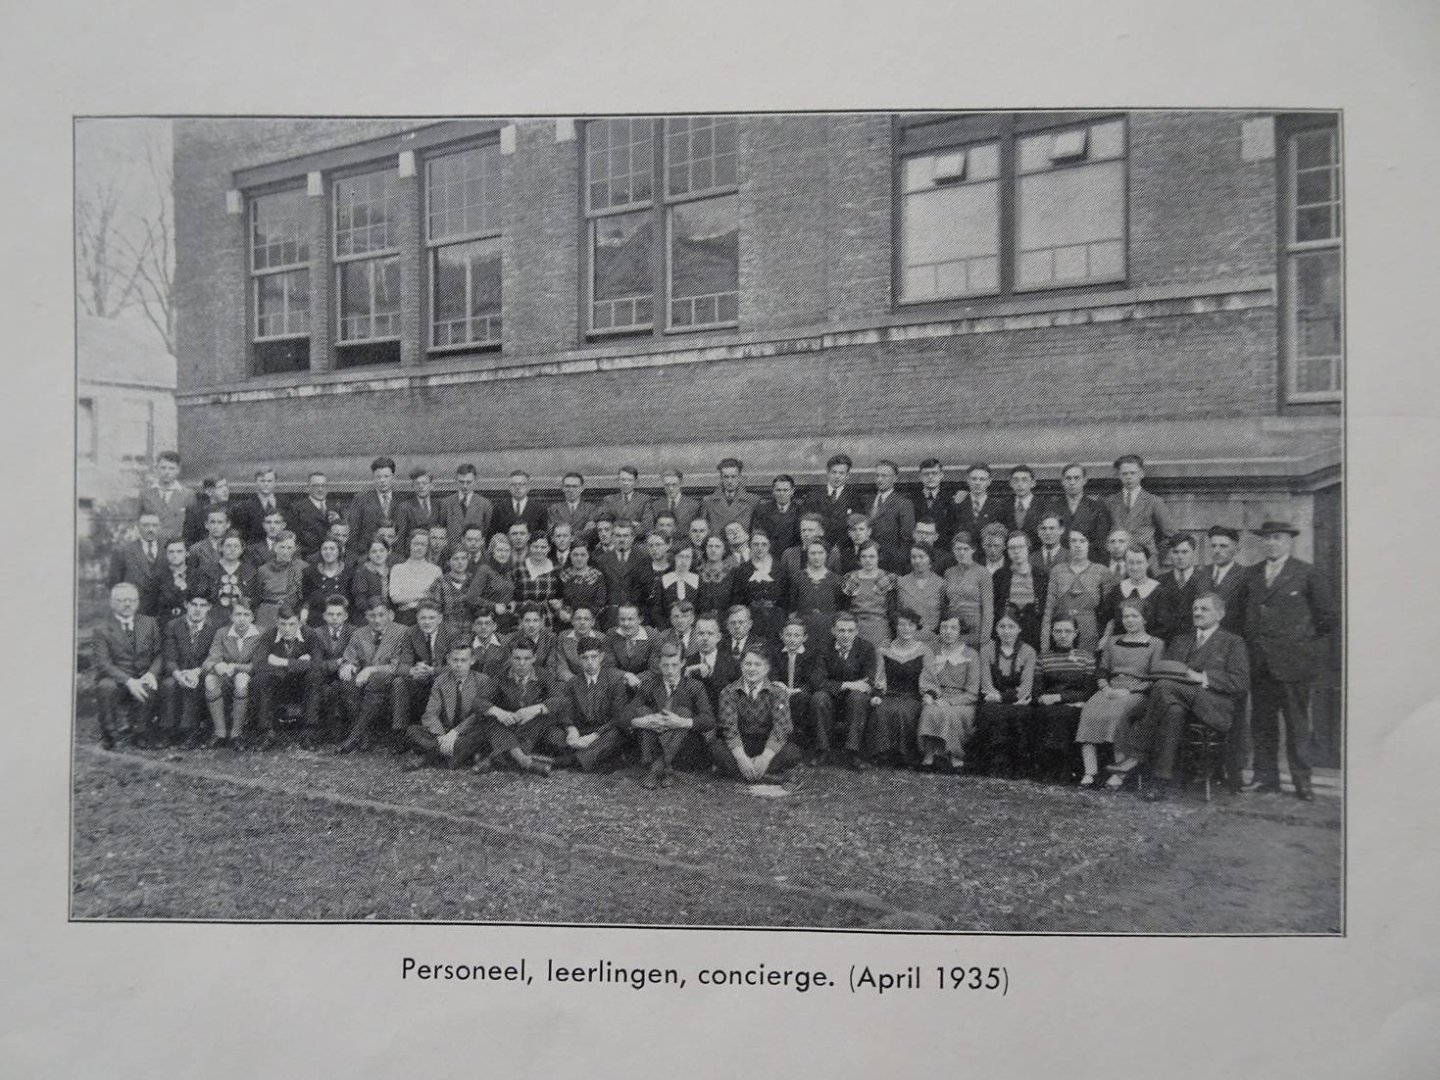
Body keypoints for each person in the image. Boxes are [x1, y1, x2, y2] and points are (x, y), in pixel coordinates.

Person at [1114, 594, 1249, 801]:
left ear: (1220, 614)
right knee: (1172, 708)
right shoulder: (1181, 640)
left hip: (1212, 705)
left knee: (1164, 687)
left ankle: (1137, 752)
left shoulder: (1233, 642)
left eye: (1204, 609)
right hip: (1177, 701)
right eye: (1195, 608)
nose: (1197, 613)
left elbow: (1239, 682)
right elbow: (1164, 670)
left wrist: (1202, 677)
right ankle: (1160, 782)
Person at [1241, 520, 1337, 800]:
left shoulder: (1307, 573)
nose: (1272, 543)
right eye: (1267, 538)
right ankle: (1265, 778)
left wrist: (1299, 642)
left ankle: (1302, 782)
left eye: (1278, 538)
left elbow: (1328, 618)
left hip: (1294, 664)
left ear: (1289, 541)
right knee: (1262, 724)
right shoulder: (1252, 574)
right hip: (1259, 663)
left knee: (1297, 725)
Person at [1077, 600, 1165, 789]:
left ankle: (1119, 775)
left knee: (1118, 716)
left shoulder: (1155, 644)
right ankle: (1090, 772)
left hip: (1136, 691)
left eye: (1134, 616)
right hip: (1111, 688)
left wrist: (1130, 690)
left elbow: (1155, 676)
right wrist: (1106, 688)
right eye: (1126, 616)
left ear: (1144, 619)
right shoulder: (1112, 641)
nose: (1130, 620)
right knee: (1089, 713)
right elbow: (1102, 670)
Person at [628, 643, 715, 787]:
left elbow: (709, 720)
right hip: (654, 740)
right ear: (659, 663)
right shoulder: (650, 684)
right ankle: (667, 770)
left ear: (683, 663)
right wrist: (644, 721)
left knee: (684, 712)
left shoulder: (695, 686)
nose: (669, 671)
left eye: (674, 665)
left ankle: (655, 771)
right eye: (665, 665)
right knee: (643, 711)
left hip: (684, 747)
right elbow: (626, 714)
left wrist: (681, 722)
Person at [473, 637, 562, 776]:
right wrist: (498, 711)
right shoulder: (500, 675)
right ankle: (524, 761)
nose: (522, 663)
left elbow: (560, 699)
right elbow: (478, 701)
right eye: (517, 658)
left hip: (531, 727)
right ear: (510, 658)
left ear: (534, 658)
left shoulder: (544, 675)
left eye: (527, 659)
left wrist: (535, 709)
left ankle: (495, 759)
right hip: (507, 725)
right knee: (491, 720)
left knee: (542, 718)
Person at [712, 649, 802, 782]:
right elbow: (729, 728)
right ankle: (765, 775)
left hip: (766, 742)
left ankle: (744, 773)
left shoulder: (777, 693)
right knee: (716, 748)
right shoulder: (729, 692)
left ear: (766, 668)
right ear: (741, 666)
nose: (752, 669)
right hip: (740, 743)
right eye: (748, 664)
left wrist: (765, 757)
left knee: (792, 752)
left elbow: (782, 727)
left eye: (757, 664)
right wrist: (741, 758)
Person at [92, 582, 163, 748]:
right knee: (105, 686)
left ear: (137, 602)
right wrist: (129, 681)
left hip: (142, 675)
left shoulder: (149, 623)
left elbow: (159, 653)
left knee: (150, 685)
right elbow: (104, 663)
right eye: (121, 600)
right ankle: (110, 735)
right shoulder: (102, 629)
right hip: (117, 679)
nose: (127, 604)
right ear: (112, 603)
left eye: (131, 600)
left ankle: (140, 732)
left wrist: (152, 673)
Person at [403, 641, 493, 771]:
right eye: (455, 660)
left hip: (468, 730)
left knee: (484, 730)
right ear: (448, 660)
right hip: (445, 730)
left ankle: (428, 756)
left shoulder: (482, 680)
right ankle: (454, 754)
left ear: (472, 660)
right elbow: (431, 712)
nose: (458, 665)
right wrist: (441, 737)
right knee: (412, 730)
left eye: (463, 660)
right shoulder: (441, 680)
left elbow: (479, 714)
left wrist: (455, 733)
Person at [336, 598, 409, 753]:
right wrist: (348, 665)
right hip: (365, 680)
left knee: (376, 679)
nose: (377, 620)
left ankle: (354, 736)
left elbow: (398, 666)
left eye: (381, 615)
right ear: (366, 617)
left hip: (388, 678)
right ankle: (364, 735)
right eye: (372, 616)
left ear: (391, 615)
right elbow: (350, 657)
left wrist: (371, 670)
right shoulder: (359, 633)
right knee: (346, 683)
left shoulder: (402, 632)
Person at [1031, 615, 1098, 782]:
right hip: (1049, 705)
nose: (1062, 635)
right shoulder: (1043, 658)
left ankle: (1065, 770)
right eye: (1058, 631)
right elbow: (1036, 690)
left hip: (1075, 704)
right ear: (1052, 633)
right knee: (1048, 716)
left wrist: (1061, 697)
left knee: (1064, 716)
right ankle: (1049, 769)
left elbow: (1089, 691)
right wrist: (1041, 699)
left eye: (1067, 631)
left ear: (1075, 633)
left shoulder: (1086, 658)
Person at [974, 607, 1038, 777]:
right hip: (994, 700)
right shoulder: (987, 650)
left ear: (1019, 629)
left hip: (1015, 700)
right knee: (991, 712)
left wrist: (1002, 697)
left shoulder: (1028, 652)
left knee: (1021, 714)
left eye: (1011, 627)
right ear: (996, 629)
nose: (1006, 631)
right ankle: (995, 766)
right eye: (1002, 627)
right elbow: (986, 684)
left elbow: (1026, 687)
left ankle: (1018, 767)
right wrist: (1000, 697)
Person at [811, 611, 879, 770]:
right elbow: (817, 681)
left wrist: (852, 687)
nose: (846, 635)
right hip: (831, 697)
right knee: (818, 698)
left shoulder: (866, 648)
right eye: (841, 631)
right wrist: (847, 684)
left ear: (856, 631)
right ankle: (823, 749)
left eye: (850, 631)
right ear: (833, 631)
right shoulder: (823, 648)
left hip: (854, 700)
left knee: (857, 697)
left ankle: (852, 751)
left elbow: (868, 680)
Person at [250, 605, 324, 749]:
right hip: (278, 685)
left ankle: (308, 733)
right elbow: (258, 664)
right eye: (283, 624)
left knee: (314, 677)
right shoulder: (269, 635)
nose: (287, 629)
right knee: (261, 678)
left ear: (300, 623)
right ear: (277, 622)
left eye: (292, 624)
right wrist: (300, 663)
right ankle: (267, 733)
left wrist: (282, 662)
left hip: (302, 685)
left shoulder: (310, 635)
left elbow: (317, 664)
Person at [553, 636, 631, 772]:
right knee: (554, 734)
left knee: (615, 735)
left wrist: (594, 736)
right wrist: (571, 730)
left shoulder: (615, 680)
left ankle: (573, 760)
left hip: (604, 730)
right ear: (579, 658)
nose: (590, 662)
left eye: (594, 657)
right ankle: (595, 758)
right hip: (583, 729)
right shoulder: (573, 683)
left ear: (601, 657)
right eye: (585, 658)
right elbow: (566, 712)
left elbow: (617, 717)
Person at [866, 609, 932, 767]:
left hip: (912, 696)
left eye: (911, 625)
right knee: (881, 710)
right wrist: (877, 694)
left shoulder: (924, 651)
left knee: (904, 711)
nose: (906, 629)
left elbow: (929, 679)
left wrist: (928, 695)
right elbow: (879, 676)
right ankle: (882, 754)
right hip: (889, 694)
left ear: (916, 627)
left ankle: (904, 757)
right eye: (901, 624)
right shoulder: (884, 650)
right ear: (895, 626)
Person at [917, 615, 982, 771]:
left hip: (963, 700)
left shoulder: (971, 654)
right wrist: (929, 695)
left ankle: (955, 757)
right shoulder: (932, 651)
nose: (948, 632)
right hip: (938, 696)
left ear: (960, 631)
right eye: (944, 628)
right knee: (930, 711)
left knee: (952, 714)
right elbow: (926, 679)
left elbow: (973, 692)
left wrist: (950, 702)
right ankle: (929, 756)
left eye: (953, 628)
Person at [159, 590, 222, 748]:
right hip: (177, 672)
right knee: (168, 684)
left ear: (209, 608)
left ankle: (189, 733)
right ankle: (167, 731)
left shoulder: (214, 628)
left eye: (203, 605)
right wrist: (179, 674)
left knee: (194, 685)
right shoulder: (173, 625)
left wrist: (197, 672)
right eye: (194, 604)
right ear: (186, 605)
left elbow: (214, 656)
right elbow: (169, 656)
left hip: (202, 672)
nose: (197, 609)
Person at [201, 599, 263, 749]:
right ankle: (220, 733)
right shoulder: (222, 633)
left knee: (241, 679)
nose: (242, 619)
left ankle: (236, 733)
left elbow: (258, 666)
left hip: (250, 679)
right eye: (238, 614)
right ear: (231, 616)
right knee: (210, 679)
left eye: (246, 614)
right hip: (227, 677)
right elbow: (208, 662)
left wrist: (235, 667)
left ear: (252, 617)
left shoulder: (261, 633)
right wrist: (217, 666)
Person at [390, 601, 453, 742]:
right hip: (420, 680)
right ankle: (399, 734)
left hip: (443, 680)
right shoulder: (411, 633)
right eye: (423, 618)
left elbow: (457, 666)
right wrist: (413, 670)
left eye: (432, 618)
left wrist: (433, 670)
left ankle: (441, 733)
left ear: (440, 619)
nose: (427, 622)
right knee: (399, 682)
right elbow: (401, 666)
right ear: (417, 619)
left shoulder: (451, 633)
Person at [1040, 528, 1111, 653]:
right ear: (1068, 544)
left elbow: (1110, 611)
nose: (1078, 545)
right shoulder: (1057, 570)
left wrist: (1106, 637)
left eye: (1082, 541)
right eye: (1073, 541)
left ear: (1089, 544)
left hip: (1089, 631)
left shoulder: (1101, 571)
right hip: (1061, 632)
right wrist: (1045, 640)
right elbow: (1048, 609)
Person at [1105, 454, 1176, 564]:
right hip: (1118, 562)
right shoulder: (1109, 502)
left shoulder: (1154, 501)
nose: (1129, 477)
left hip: (1145, 561)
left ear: (1141, 474)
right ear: (1119, 475)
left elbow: (1171, 534)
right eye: (1124, 473)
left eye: (1133, 473)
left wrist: (1153, 552)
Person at [769, 617, 820, 759]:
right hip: (781, 691)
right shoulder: (775, 652)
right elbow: (772, 673)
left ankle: (797, 740)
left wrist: (799, 689)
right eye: (788, 635)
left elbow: (813, 678)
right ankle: (779, 741)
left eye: (797, 636)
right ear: (782, 636)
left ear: (805, 638)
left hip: (801, 694)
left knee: (801, 699)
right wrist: (780, 686)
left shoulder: (811, 654)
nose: (792, 639)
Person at [992, 531, 1048, 651]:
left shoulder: (1041, 575)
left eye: (1021, 547)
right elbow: (995, 608)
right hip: (1007, 634)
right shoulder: (1000, 575)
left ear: (1028, 548)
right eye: (1012, 548)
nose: (1016, 551)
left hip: (1034, 634)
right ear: (1007, 550)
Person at [787, 538, 843, 651]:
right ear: (807, 554)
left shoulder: (836, 580)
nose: (816, 557)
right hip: (803, 632)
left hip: (828, 632)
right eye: (812, 553)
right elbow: (791, 607)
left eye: (820, 553)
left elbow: (840, 607)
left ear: (827, 554)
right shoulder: (797, 578)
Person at [312, 595, 355, 743]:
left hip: (346, 676)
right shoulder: (317, 633)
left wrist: (349, 664)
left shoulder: (353, 632)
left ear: (346, 616)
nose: (335, 618)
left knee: (346, 688)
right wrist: (338, 662)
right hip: (325, 677)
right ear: (324, 616)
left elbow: (356, 657)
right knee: (324, 689)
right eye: (331, 614)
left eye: (339, 614)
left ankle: (355, 733)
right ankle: (325, 731)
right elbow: (316, 663)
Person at [943, 531, 994, 650]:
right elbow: (945, 603)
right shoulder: (948, 573)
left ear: (973, 549)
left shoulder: (983, 573)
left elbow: (988, 610)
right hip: (952, 630)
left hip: (974, 630)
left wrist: (985, 639)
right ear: (953, 550)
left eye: (965, 549)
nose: (961, 552)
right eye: (957, 549)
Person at [842, 540, 897, 649]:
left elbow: (893, 610)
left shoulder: (888, 578)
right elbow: (845, 607)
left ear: (878, 557)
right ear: (859, 558)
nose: (867, 560)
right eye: (864, 556)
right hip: (856, 630)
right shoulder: (850, 578)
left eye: (872, 556)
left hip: (880, 631)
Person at [733, 530, 786, 643]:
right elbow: (737, 598)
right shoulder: (742, 569)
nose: (759, 548)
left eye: (764, 544)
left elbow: (786, 596)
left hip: (775, 619)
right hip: (752, 619)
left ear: (769, 545)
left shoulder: (780, 568)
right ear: (750, 546)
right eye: (755, 544)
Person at [594, 520, 649, 629]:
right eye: (618, 536)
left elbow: (646, 591)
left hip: (636, 617)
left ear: (633, 537)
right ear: (613, 537)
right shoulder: (601, 560)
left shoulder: (644, 559)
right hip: (610, 618)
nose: (622, 539)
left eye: (626, 535)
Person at [1151, 533, 1204, 643]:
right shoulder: (1159, 581)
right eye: (1175, 552)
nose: (1180, 557)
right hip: (1165, 643)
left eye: (1184, 552)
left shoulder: (1205, 580)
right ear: (1170, 554)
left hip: (1194, 643)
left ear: (1194, 554)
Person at [683, 614, 740, 714]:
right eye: (700, 633)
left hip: (724, 720)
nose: (705, 638)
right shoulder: (686, 663)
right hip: (694, 722)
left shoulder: (733, 663)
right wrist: (687, 674)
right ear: (694, 636)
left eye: (710, 634)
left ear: (718, 637)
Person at [1052, 462, 1112, 555]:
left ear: (1084, 480)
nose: (1072, 482)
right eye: (1068, 478)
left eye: (1076, 478)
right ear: (1062, 481)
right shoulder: (1053, 507)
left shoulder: (1097, 507)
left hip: (1088, 559)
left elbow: (1101, 540)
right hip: (1061, 559)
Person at [389, 529, 443, 626]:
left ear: (428, 547)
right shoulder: (397, 569)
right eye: (416, 543)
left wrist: (408, 598)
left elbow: (436, 598)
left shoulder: (435, 570)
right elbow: (395, 598)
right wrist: (422, 595)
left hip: (427, 618)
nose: (419, 548)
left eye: (423, 545)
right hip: (404, 617)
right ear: (409, 544)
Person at [138, 450, 194, 542]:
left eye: (171, 468)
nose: (167, 472)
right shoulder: (145, 494)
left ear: (178, 470)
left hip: (175, 548)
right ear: (156, 468)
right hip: (152, 545)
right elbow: (138, 522)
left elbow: (192, 526)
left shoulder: (187, 494)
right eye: (163, 468)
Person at [253, 530, 305, 628]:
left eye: (289, 548)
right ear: (275, 548)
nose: (285, 551)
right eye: (282, 547)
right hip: (267, 613)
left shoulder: (302, 567)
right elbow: (257, 595)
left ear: (294, 549)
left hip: (291, 613)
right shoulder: (263, 570)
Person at [807, 453, 864, 543]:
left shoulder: (855, 497)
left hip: (845, 547)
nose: (837, 476)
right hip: (819, 548)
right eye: (834, 472)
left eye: (841, 473)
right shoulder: (814, 495)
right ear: (827, 472)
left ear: (847, 475)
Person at [345, 456, 399, 550]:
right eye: (378, 477)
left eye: (386, 476)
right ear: (373, 477)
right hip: (367, 554)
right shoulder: (361, 500)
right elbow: (353, 531)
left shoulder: (401, 500)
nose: (382, 480)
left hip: (395, 556)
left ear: (393, 477)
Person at [1201, 525, 1248, 632]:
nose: (1217, 550)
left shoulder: (1246, 576)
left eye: (1223, 546)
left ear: (1236, 550)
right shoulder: (1200, 574)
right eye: (1213, 546)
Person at [197, 531, 256, 616]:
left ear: (242, 550)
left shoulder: (250, 571)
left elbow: (253, 599)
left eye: (236, 546)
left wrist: (241, 597)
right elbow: (202, 597)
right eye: (228, 546)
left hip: (240, 618)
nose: (232, 549)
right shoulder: (207, 570)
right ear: (220, 547)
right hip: (213, 616)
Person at [896, 543, 945, 645]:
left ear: (930, 559)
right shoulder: (901, 582)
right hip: (906, 639)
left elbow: (944, 615)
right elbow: (896, 612)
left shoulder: (941, 584)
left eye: (921, 557)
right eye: (914, 557)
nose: (917, 561)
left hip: (933, 640)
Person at [952, 463, 1010, 547]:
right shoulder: (957, 504)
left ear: (989, 482)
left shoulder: (998, 507)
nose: (977, 483)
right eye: (974, 479)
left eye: (982, 479)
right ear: (968, 480)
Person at [700, 457, 760, 535]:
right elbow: (703, 530)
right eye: (726, 477)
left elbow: (756, 530)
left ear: (739, 477)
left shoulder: (752, 500)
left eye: (733, 477)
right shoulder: (708, 501)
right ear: (721, 478)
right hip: (717, 545)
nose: (729, 481)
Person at [830, 513, 904, 575]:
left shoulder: (880, 551)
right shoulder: (839, 550)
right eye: (853, 529)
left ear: (869, 531)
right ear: (849, 533)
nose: (857, 533)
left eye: (861, 529)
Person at [301, 538, 353, 627]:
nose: (328, 552)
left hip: (341, 619)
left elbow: (352, 601)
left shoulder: (349, 573)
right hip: (316, 618)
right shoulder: (310, 572)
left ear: (339, 552)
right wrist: (304, 611)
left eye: (332, 549)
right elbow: (306, 597)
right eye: (325, 549)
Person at [603, 603, 656, 690]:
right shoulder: (611, 635)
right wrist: (626, 676)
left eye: (630, 619)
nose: (626, 624)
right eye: (622, 619)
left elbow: (655, 669)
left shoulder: (652, 636)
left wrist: (636, 679)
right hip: (618, 685)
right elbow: (608, 666)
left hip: (646, 686)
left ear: (640, 619)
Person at [513, 532, 561, 629]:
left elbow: (561, 595)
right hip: (523, 618)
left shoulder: (556, 569)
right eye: (535, 546)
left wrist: (559, 603)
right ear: (529, 547)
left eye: (543, 547)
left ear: (549, 549)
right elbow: (511, 596)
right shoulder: (518, 568)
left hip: (548, 618)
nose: (539, 550)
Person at [867, 459, 916, 551]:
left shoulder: (904, 503)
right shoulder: (868, 501)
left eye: (884, 476)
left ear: (895, 478)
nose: (879, 479)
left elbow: (907, 538)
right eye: (877, 475)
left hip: (890, 559)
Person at [109, 511, 165, 590]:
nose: (150, 529)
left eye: (154, 525)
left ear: (160, 527)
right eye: (146, 525)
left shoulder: (168, 549)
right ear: (138, 526)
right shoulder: (122, 551)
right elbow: (115, 585)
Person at [557, 539, 606, 628]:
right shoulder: (563, 576)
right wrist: (561, 611)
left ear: (588, 556)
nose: (579, 558)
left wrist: (583, 617)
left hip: (589, 623)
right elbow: (558, 600)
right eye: (575, 555)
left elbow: (600, 603)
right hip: (567, 623)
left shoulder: (597, 576)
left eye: (583, 555)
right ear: (570, 556)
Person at [143, 537, 192, 623]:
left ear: (187, 553)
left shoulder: (198, 576)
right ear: (166, 554)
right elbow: (149, 609)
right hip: (164, 627)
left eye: (179, 551)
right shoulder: (156, 578)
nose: (175, 555)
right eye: (171, 552)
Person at [290, 471, 338, 558]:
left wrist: (338, 520)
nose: (320, 489)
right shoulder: (297, 508)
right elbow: (294, 538)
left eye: (324, 486)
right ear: (307, 488)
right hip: (308, 557)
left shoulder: (334, 507)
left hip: (331, 556)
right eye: (315, 486)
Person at [751, 474, 802, 555]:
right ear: (773, 491)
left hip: (791, 555)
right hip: (768, 554)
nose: (782, 494)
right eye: (778, 490)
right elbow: (757, 534)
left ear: (792, 491)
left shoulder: (801, 510)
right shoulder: (762, 510)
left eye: (785, 490)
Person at [642, 468, 702, 536]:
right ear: (663, 484)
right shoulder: (655, 505)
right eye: (667, 485)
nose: (671, 488)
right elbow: (651, 529)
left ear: (681, 483)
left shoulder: (694, 505)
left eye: (674, 485)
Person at [651, 544, 698, 629]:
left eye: (687, 557)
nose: (684, 561)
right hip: (668, 630)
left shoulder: (698, 580)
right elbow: (657, 610)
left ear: (692, 560)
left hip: (693, 632)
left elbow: (702, 609)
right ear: (674, 558)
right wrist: (665, 629)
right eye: (680, 556)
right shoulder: (664, 579)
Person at [491, 469, 548, 537]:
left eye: (521, 484)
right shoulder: (499, 508)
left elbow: (543, 536)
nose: (517, 487)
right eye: (513, 484)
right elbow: (494, 534)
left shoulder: (540, 509)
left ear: (528, 487)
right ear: (508, 487)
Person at [555, 605, 605, 680]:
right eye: (578, 619)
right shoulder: (563, 637)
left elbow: (606, 668)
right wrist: (576, 682)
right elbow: (561, 666)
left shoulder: (603, 639)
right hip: (570, 682)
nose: (582, 622)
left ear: (593, 622)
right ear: (572, 621)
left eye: (586, 619)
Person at [350, 538, 394, 624]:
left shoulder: (392, 570)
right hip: (368, 615)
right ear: (369, 554)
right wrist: (378, 612)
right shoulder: (362, 571)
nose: (378, 554)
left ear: (388, 551)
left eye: (382, 550)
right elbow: (360, 601)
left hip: (389, 615)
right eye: (374, 551)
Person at [394, 466, 442, 544]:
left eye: (424, 483)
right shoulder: (405, 507)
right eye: (417, 483)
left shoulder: (440, 505)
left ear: (431, 485)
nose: (421, 486)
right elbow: (401, 536)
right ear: (412, 486)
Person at [600, 465, 651, 536]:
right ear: (618, 481)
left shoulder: (645, 499)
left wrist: (618, 524)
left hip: (637, 541)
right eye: (623, 479)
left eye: (630, 480)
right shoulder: (609, 500)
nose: (626, 483)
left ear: (636, 482)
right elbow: (605, 524)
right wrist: (632, 523)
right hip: (614, 541)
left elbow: (647, 527)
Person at [915, 458, 955, 547]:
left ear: (941, 475)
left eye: (934, 473)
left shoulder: (951, 500)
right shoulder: (910, 500)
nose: (930, 477)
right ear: (920, 477)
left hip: (943, 551)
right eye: (926, 474)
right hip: (918, 552)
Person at [695, 534, 735, 619]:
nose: (713, 550)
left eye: (717, 546)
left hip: (726, 621)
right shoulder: (696, 573)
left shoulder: (733, 574)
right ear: (705, 549)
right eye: (710, 546)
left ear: (724, 550)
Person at [186, 505, 232, 580]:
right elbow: (192, 577)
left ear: (227, 524)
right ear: (206, 525)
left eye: (220, 522)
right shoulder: (196, 549)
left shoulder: (234, 547)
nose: (216, 526)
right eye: (212, 522)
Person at [1007, 465, 1045, 548]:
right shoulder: (1003, 506)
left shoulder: (1044, 505)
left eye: (1024, 480)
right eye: (1016, 480)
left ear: (1033, 483)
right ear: (1011, 483)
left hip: (1036, 555)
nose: (1020, 484)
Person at [780, 512, 827, 580]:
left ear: (821, 532)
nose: (806, 534)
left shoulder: (832, 553)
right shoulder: (789, 554)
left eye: (810, 530)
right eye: (803, 530)